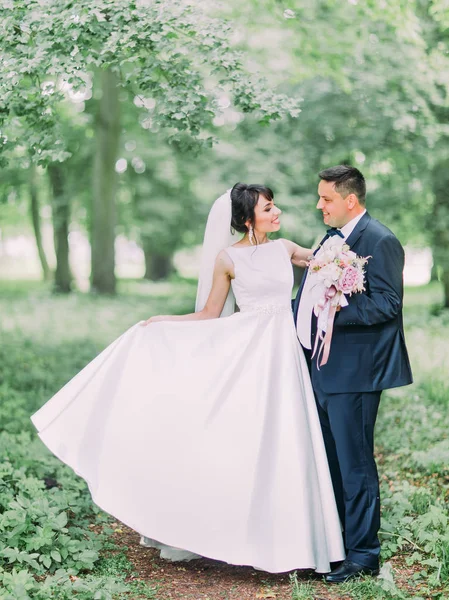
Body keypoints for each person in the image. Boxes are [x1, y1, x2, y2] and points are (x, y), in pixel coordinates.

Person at [31, 183, 345, 574]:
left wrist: (341, 262)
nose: (277, 212)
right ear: (248, 219)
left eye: (274, 205)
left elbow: (322, 262)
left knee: (289, 438)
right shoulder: (227, 259)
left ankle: (295, 541)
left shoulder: (284, 248)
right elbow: (210, 314)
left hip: (285, 356)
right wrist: (162, 322)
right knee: (243, 440)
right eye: (268, 208)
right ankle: (235, 531)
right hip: (249, 355)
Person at [293, 165, 413, 583]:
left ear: (350, 199)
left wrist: (334, 310)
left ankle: (364, 555)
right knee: (331, 462)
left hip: (357, 372)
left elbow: (387, 304)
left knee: (355, 464)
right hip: (323, 369)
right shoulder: (331, 240)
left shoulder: (379, 240)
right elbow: (308, 297)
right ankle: (337, 545)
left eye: (325, 198)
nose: (319, 205)